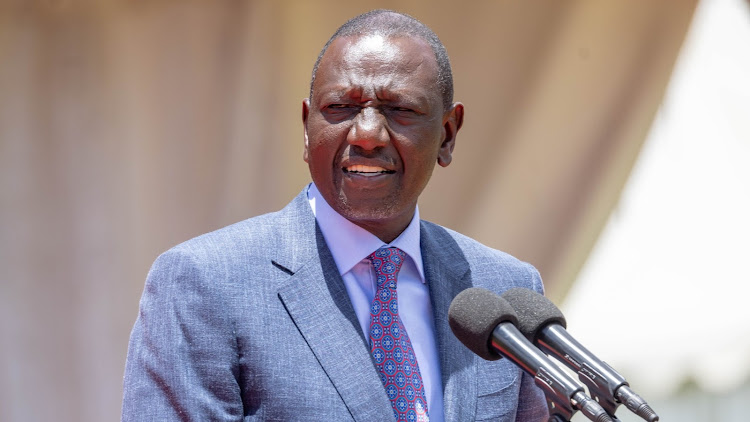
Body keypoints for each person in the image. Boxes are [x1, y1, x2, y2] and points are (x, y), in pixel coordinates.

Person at [122, 9, 548, 422]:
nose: (366, 135)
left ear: (447, 135)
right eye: (340, 107)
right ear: (307, 128)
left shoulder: (503, 293)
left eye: (400, 109)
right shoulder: (204, 283)